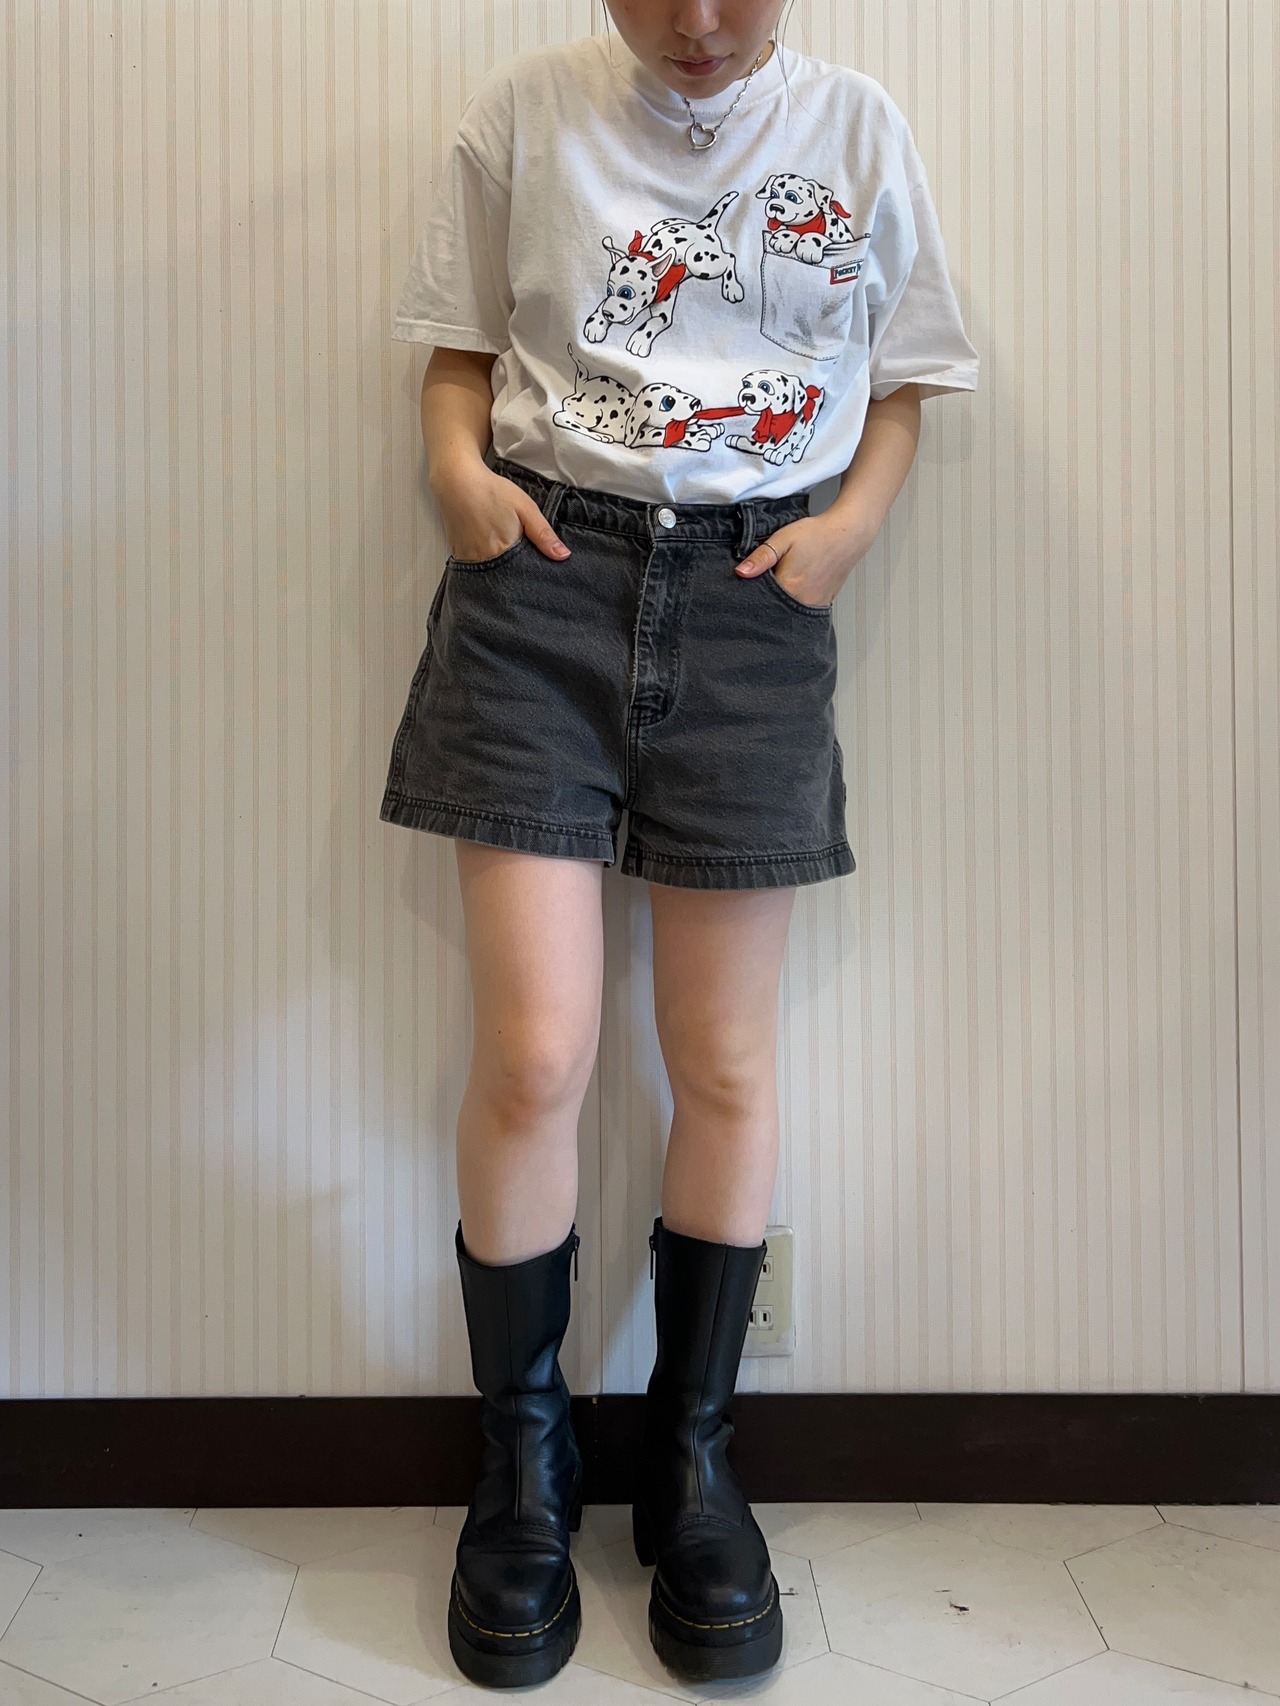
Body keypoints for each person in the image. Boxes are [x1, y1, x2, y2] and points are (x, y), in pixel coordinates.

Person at [381, 0, 979, 1689]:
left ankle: (693, 1461)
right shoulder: (525, 114)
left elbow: (907, 377)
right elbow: (453, 348)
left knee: (721, 1057)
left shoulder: (855, 129)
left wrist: (847, 530)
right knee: (536, 1052)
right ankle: (524, 1464)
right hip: (540, 590)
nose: (697, 23)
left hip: (754, 599)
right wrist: (458, 478)